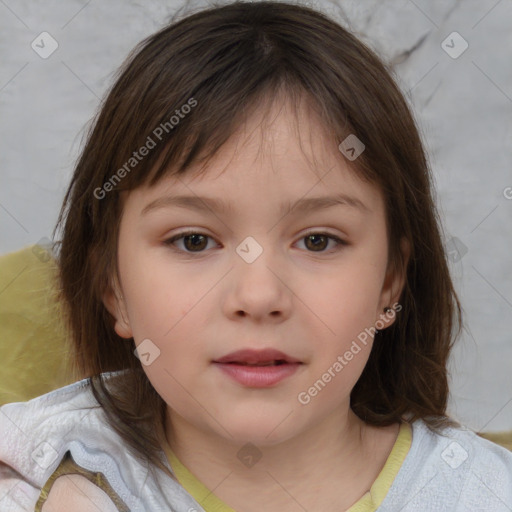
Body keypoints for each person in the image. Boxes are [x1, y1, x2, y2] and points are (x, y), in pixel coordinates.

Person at [1, 1, 511, 511]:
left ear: (390, 282)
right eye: (193, 240)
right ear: (113, 287)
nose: (259, 295)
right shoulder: (40, 479)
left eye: (318, 240)